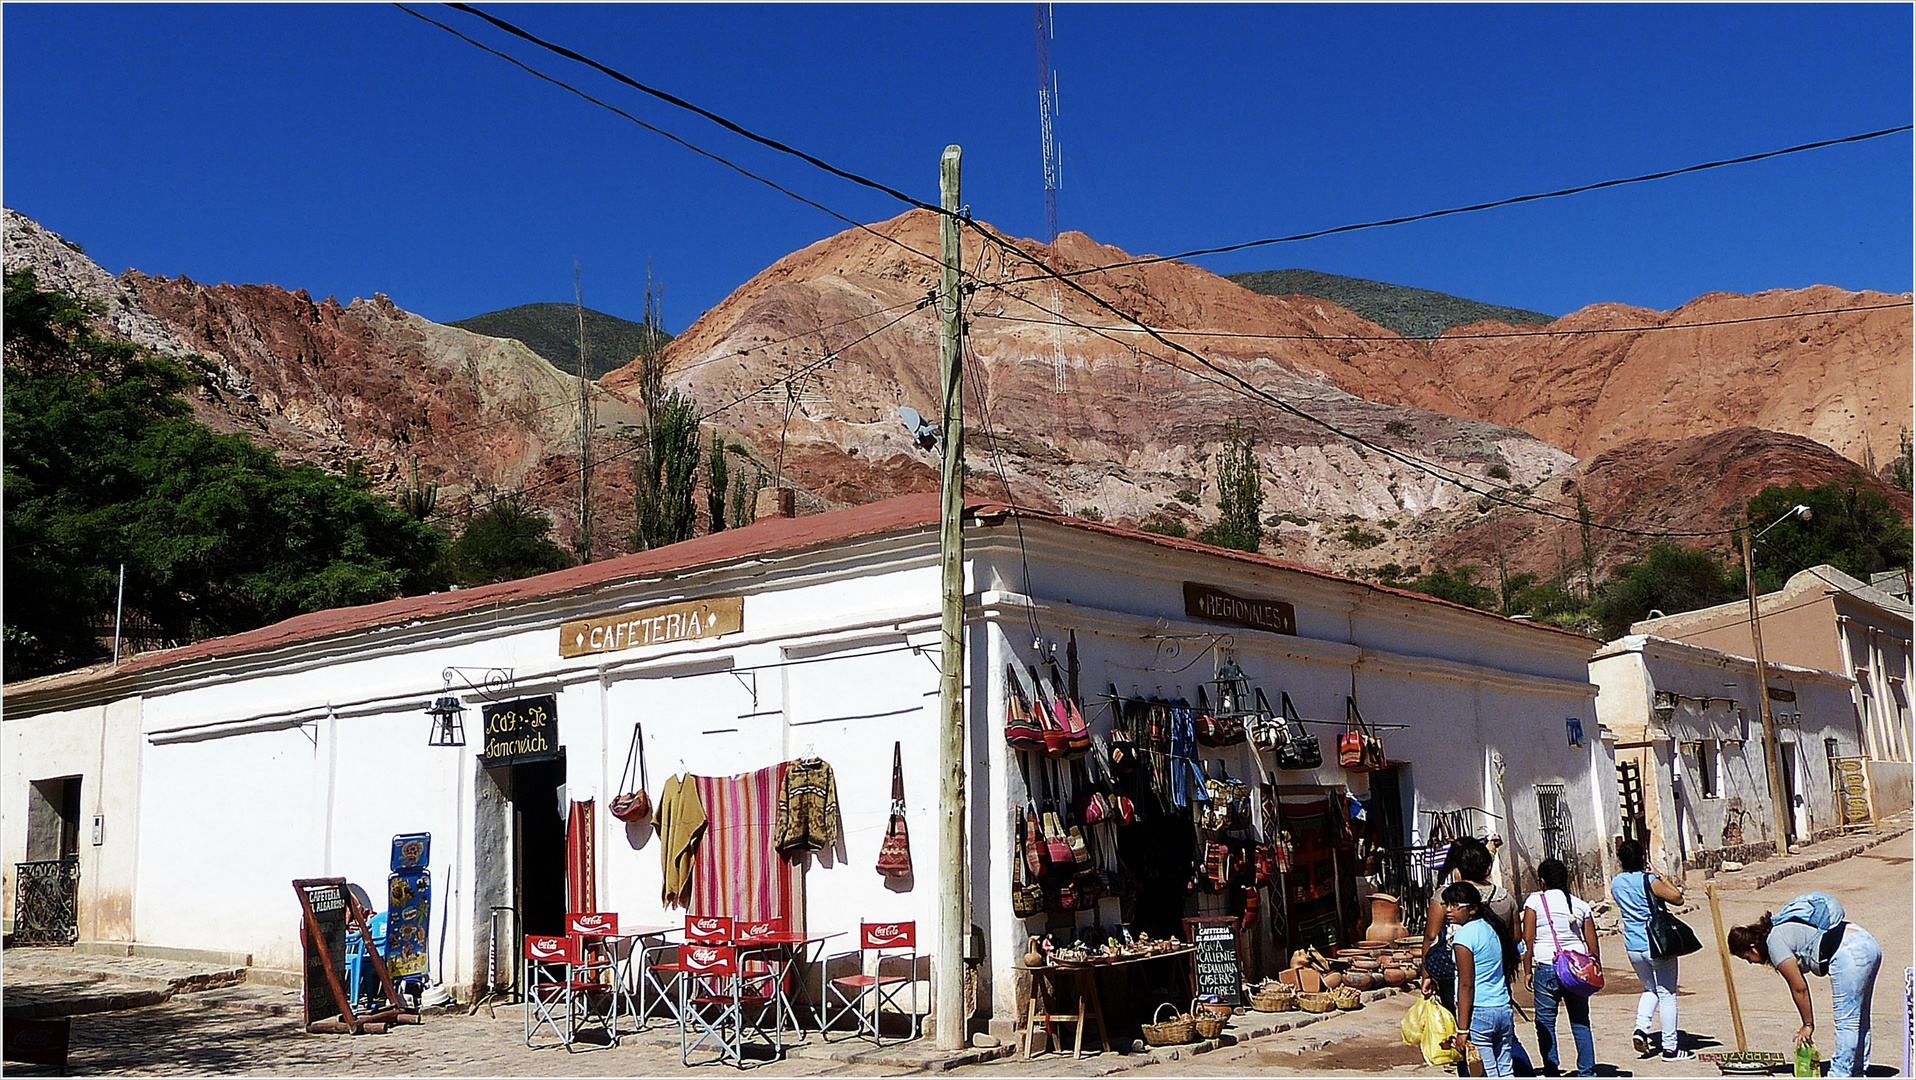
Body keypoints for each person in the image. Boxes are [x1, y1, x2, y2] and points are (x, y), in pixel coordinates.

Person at [1728, 901, 1882, 1076]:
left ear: (1753, 948)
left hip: (1850, 953)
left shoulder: (1774, 943)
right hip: (1867, 942)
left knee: (1847, 1021)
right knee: (1859, 1016)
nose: (1751, 962)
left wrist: (1808, 1025)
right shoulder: (1781, 927)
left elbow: (1799, 988)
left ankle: (1840, 1074)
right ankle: (1856, 1069)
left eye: (1748, 958)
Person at [1609, 838, 1692, 1061]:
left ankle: (1641, 1029)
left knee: (1649, 989)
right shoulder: (1650, 880)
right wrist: (1660, 874)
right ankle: (1670, 1048)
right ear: (1642, 858)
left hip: (1633, 945)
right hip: (1656, 943)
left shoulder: (1616, 883)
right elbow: (1677, 898)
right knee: (1667, 994)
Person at [1522, 858, 1598, 1076]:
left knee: (1545, 1023)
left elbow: (1528, 940)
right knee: (1581, 1022)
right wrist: (1594, 968)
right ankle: (1587, 1072)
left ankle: (1551, 1069)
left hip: (1547, 965)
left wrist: (1528, 970)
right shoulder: (1580, 905)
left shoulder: (1535, 902)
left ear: (1542, 881)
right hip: (1577, 970)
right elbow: (1592, 945)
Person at [1447, 881, 1521, 1076]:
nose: (1449, 910)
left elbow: (1466, 984)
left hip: (1480, 1012)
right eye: (1447, 905)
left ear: (1472, 909)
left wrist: (1462, 1030)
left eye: (1455, 906)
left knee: (1484, 1072)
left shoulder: (1464, 937)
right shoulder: (1492, 929)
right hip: (1502, 1007)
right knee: (1505, 1069)